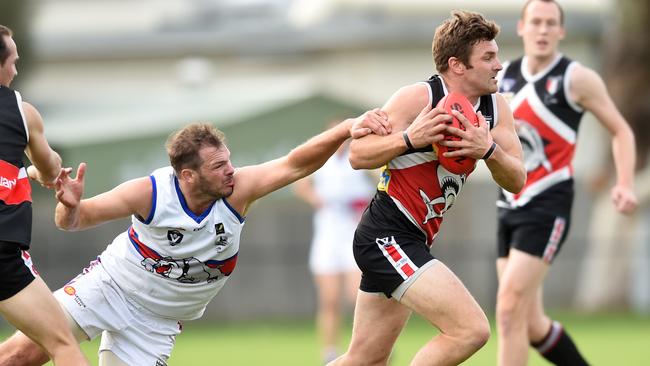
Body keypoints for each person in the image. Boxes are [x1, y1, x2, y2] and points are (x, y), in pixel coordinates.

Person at [0, 106, 396, 365]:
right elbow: (73, 222)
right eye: (219, 165)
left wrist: (346, 129)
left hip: (157, 323)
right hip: (110, 287)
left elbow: (294, 165)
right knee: (22, 353)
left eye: (229, 160)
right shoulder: (150, 192)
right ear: (188, 175)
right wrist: (70, 204)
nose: (231, 170)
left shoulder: (239, 190)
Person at [330, 10, 526, 366]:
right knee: (471, 329)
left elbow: (517, 179)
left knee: (366, 358)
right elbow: (357, 155)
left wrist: (489, 151)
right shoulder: (419, 97)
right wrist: (409, 138)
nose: (499, 65)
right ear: (457, 65)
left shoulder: (497, 111)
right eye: (488, 57)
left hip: (414, 239)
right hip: (386, 235)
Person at [495, 1, 638, 365]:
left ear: (562, 31)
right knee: (530, 322)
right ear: (521, 28)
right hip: (507, 202)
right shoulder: (503, 77)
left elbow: (621, 131)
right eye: (536, 22)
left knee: (509, 309)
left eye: (551, 24)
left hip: (549, 202)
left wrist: (623, 183)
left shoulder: (577, 79)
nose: (543, 30)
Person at [0, 25, 90, 366]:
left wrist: (29, 174)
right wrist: (49, 173)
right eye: (13, 61)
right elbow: (51, 169)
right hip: (3, 256)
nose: (16, 69)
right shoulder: (21, 113)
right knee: (61, 343)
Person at [293, 120, 376, 364]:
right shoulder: (323, 161)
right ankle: (330, 352)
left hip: (354, 234)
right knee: (329, 299)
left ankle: (367, 347)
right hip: (327, 235)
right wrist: (317, 199)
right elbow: (300, 183)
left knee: (358, 296)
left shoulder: (360, 159)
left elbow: (377, 183)